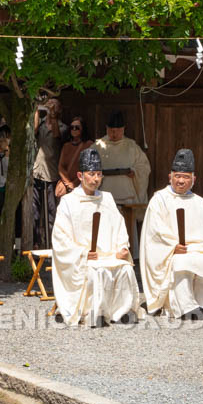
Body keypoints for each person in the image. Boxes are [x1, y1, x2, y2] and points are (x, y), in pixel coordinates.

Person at [141, 149, 203, 320]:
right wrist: (172, 247)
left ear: (194, 179)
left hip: (200, 250)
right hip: (177, 252)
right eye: (177, 176)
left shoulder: (200, 202)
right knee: (181, 262)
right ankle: (185, 307)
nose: (181, 181)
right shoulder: (159, 200)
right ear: (170, 177)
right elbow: (154, 232)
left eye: (186, 177)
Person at [51, 148, 138, 327]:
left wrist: (122, 247)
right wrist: (82, 253)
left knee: (125, 268)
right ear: (80, 176)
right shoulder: (69, 202)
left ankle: (119, 311)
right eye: (91, 174)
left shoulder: (107, 198)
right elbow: (61, 238)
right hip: (84, 258)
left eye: (99, 174)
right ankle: (94, 312)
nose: (96, 179)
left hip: (108, 255)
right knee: (95, 271)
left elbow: (119, 226)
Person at [95, 110, 151, 213]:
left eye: (117, 130)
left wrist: (135, 172)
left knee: (127, 225)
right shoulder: (97, 146)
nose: (114, 133)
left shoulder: (132, 146)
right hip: (104, 194)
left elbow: (144, 167)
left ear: (123, 129)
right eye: (111, 130)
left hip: (126, 195)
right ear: (107, 129)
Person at [31, 98, 67, 249]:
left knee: (52, 211)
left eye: (54, 105)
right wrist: (37, 111)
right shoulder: (41, 123)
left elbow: (58, 136)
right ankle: (36, 242)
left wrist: (53, 116)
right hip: (37, 172)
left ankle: (52, 244)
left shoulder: (62, 127)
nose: (51, 107)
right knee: (34, 211)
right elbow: (33, 131)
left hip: (52, 174)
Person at [56, 116, 94, 200]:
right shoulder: (66, 146)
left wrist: (75, 183)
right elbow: (61, 167)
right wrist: (68, 183)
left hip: (83, 185)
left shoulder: (89, 145)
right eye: (72, 127)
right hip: (68, 187)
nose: (74, 129)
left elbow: (89, 167)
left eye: (77, 127)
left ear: (82, 129)